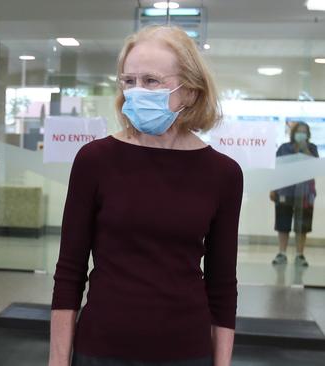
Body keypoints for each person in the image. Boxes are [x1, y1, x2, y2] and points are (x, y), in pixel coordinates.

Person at [49, 26, 242, 366]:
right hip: (101, 349)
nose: (136, 93)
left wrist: (222, 363)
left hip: (186, 352)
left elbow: (222, 283)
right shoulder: (95, 161)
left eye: (151, 81)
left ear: (191, 91)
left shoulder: (223, 174)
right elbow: (69, 272)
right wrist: (58, 360)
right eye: (128, 81)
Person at [270, 122, 319, 267]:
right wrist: (273, 188)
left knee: (302, 225)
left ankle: (299, 255)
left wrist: (304, 148)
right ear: (293, 133)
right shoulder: (284, 148)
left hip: (305, 193)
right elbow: (276, 169)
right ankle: (282, 254)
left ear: (308, 134)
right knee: (282, 223)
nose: (301, 134)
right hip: (285, 191)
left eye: (304, 131)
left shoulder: (312, 148)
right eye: (299, 131)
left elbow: (315, 166)